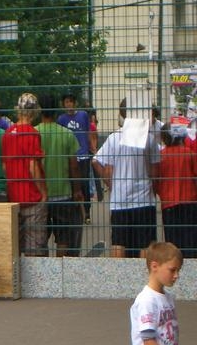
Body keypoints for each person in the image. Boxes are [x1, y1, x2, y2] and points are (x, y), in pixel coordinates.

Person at [93, 99, 160, 258]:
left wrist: (112, 184)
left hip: (120, 199)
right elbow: (155, 172)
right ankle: (144, 272)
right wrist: (153, 189)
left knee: (119, 242)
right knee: (146, 243)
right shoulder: (149, 139)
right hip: (144, 199)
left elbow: (96, 161)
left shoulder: (114, 137)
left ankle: (118, 273)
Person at [128, 242, 197, 345]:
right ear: (155, 266)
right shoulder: (147, 301)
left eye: (178, 270)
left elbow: (170, 343)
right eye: (172, 270)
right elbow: (149, 344)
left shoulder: (167, 298)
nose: (177, 275)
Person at [36, 94, 83, 256]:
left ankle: (44, 267)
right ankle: (60, 266)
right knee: (63, 238)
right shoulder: (66, 134)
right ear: (56, 110)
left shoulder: (34, 133)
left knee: (40, 239)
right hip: (63, 194)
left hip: (40, 196)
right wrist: (77, 190)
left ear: (40, 110)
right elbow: (74, 166)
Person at [1, 93, 47, 256]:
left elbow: (5, 166)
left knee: (15, 245)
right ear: (34, 111)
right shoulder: (32, 133)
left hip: (14, 195)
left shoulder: (7, 134)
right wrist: (43, 192)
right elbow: (33, 165)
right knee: (34, 245)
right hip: (31, 195)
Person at [156, 124, 197, 258]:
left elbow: (156, 179)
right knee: (191, 240)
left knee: (172, 242)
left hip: (168, 203)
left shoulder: (160, 156)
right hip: (190, 201)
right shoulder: (190, 154)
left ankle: (174, 265)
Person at [57, 93, 94, 223]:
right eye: (66, 102)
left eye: (71, 102)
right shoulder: (61, 119)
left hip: (83, 155)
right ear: (63, 105)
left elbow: (88, 132)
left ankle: (87, 212)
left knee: (84, 184)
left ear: (75, 103)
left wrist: (92, 148)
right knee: (72, 184)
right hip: (70, 156)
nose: (69, 104)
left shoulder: (83, 115)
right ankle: (75, 211)